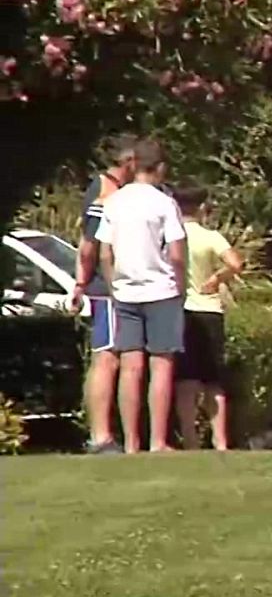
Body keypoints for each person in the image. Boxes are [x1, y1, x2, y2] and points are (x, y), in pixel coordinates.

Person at [95, 139, 187, 453]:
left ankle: (132, 442)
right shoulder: (163, 203)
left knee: (130, 366)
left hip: (125, 291)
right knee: (161, 365)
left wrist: (113, 284)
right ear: (160, 168)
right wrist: (181, 286)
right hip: (161, 289)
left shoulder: (115, 202)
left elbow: (104, 253)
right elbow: (176, 252)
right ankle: (157, 441)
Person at [68, 134, 139, 454]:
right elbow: (88, 245)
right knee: (106, 358)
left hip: (124, 287)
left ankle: (117, 434)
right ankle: (100, 436)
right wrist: (81, 283)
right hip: (107, 289)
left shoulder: (121, 193)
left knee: (121, 358)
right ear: (127, 162)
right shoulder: (103, 192)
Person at [172, 185, 243, 450]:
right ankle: (220, 440)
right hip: (210, 309)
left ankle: (190, 439)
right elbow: (236, 263)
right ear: (202, 208)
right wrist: (217, 278)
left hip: (181, 309)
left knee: (186, 380)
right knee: (213, 380)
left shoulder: (170, 237)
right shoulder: (210, 236)